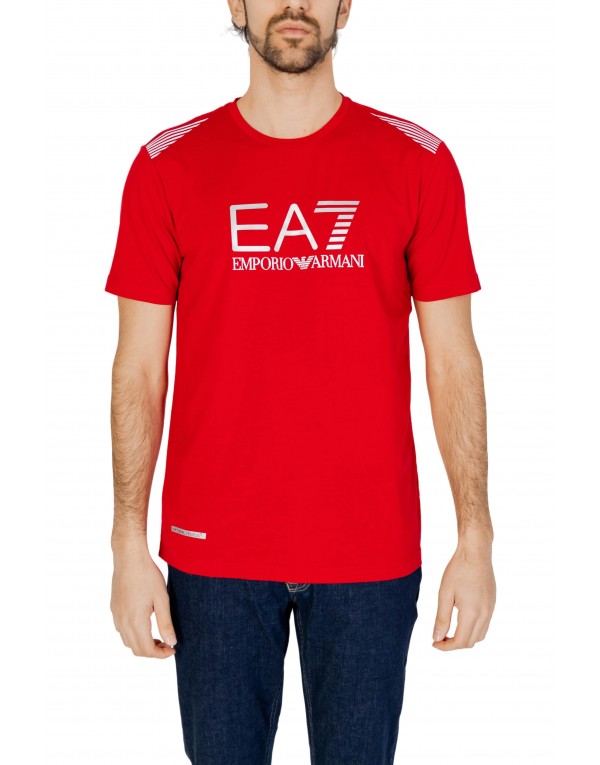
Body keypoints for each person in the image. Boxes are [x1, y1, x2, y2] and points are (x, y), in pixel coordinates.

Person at [105, 1, 496, 763]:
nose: (294, 5)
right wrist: (127, 541)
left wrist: (475, 534)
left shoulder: (418, 161)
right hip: (212, 556)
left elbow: (454, 360)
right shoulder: (167, 166)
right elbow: (138, 368)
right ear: (236, 4)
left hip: (370, 550)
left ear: (345, 4)